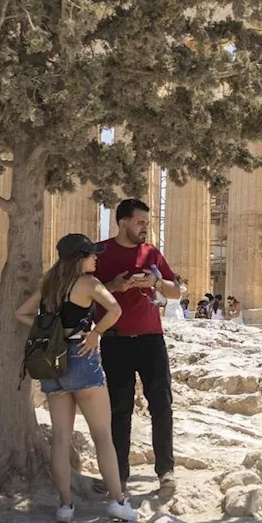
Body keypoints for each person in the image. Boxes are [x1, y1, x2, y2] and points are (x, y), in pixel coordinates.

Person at [14, 234, 138, 523]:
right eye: (93, 254)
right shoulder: (89, 284)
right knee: (103, 436)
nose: (97, 258)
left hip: (52, 363)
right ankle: (118, 501)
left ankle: (65, 506)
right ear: (80, 258)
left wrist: (50, 330)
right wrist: (95, 334)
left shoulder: (49, 285)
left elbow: (22, 313)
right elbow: (115, 311)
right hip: (81, 357)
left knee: (60, 438)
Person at [91, 198, 180, 498]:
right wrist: (116, 286)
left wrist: (155, 281)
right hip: (115, 340)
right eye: (141, 222)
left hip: (151, 338)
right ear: (123, 221)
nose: (145, 227)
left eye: (147, 222)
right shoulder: (100, 252)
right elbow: (84, 291)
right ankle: (119, 474)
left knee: (162, 406)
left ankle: (166, 470)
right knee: (119, 410)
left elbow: (177, 290)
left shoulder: (151, 252)